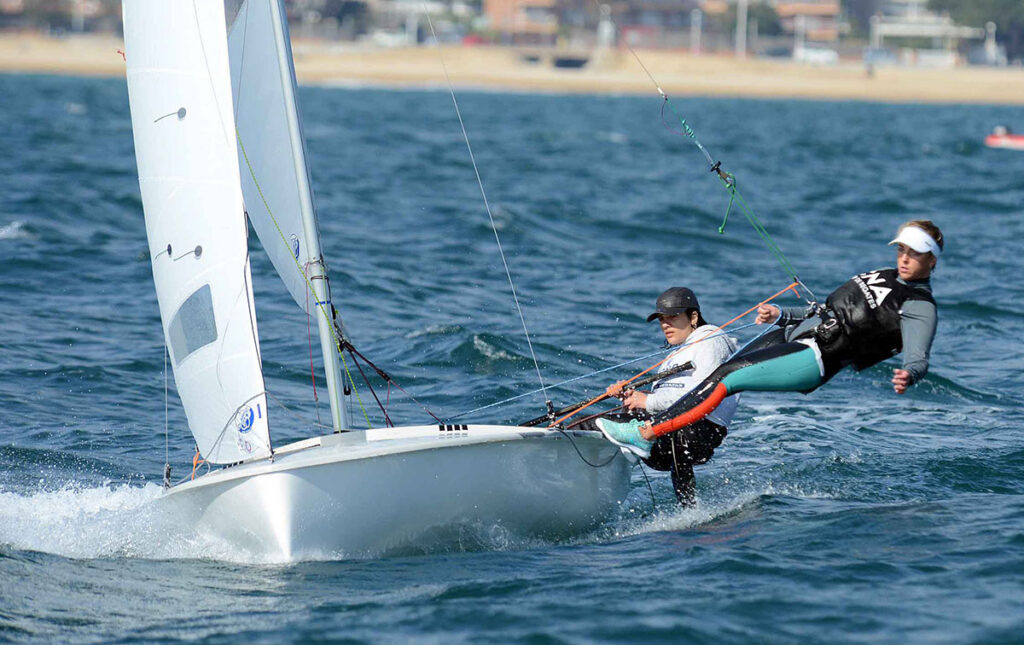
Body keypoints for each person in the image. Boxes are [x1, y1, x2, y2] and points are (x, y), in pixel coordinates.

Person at [598, 219, 942, 454]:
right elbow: (826, 311)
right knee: (725, 369)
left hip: (816, 359)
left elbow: (918, 355)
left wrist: (909, 373)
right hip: (796, 336)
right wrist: (782, 315)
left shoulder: (919, 305)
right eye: (901, 250)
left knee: (726, 378)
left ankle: (646, 435)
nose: (904, 257)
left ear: (931, 260)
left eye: (914, 253)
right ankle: (663, 430)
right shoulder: (884, 275)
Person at [594, 287, 740, 505]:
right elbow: (671, 394)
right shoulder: (678, 352)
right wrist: (634, 398)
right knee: (605, 423)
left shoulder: (711, 340)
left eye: (672, 317)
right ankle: (689, 510)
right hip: (674, 427)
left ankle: (560, 449)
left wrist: (648, 401)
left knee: (596, 426)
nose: (665, 325)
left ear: (693, 316)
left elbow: (702, 393)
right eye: (662, 319)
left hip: (698, 431)